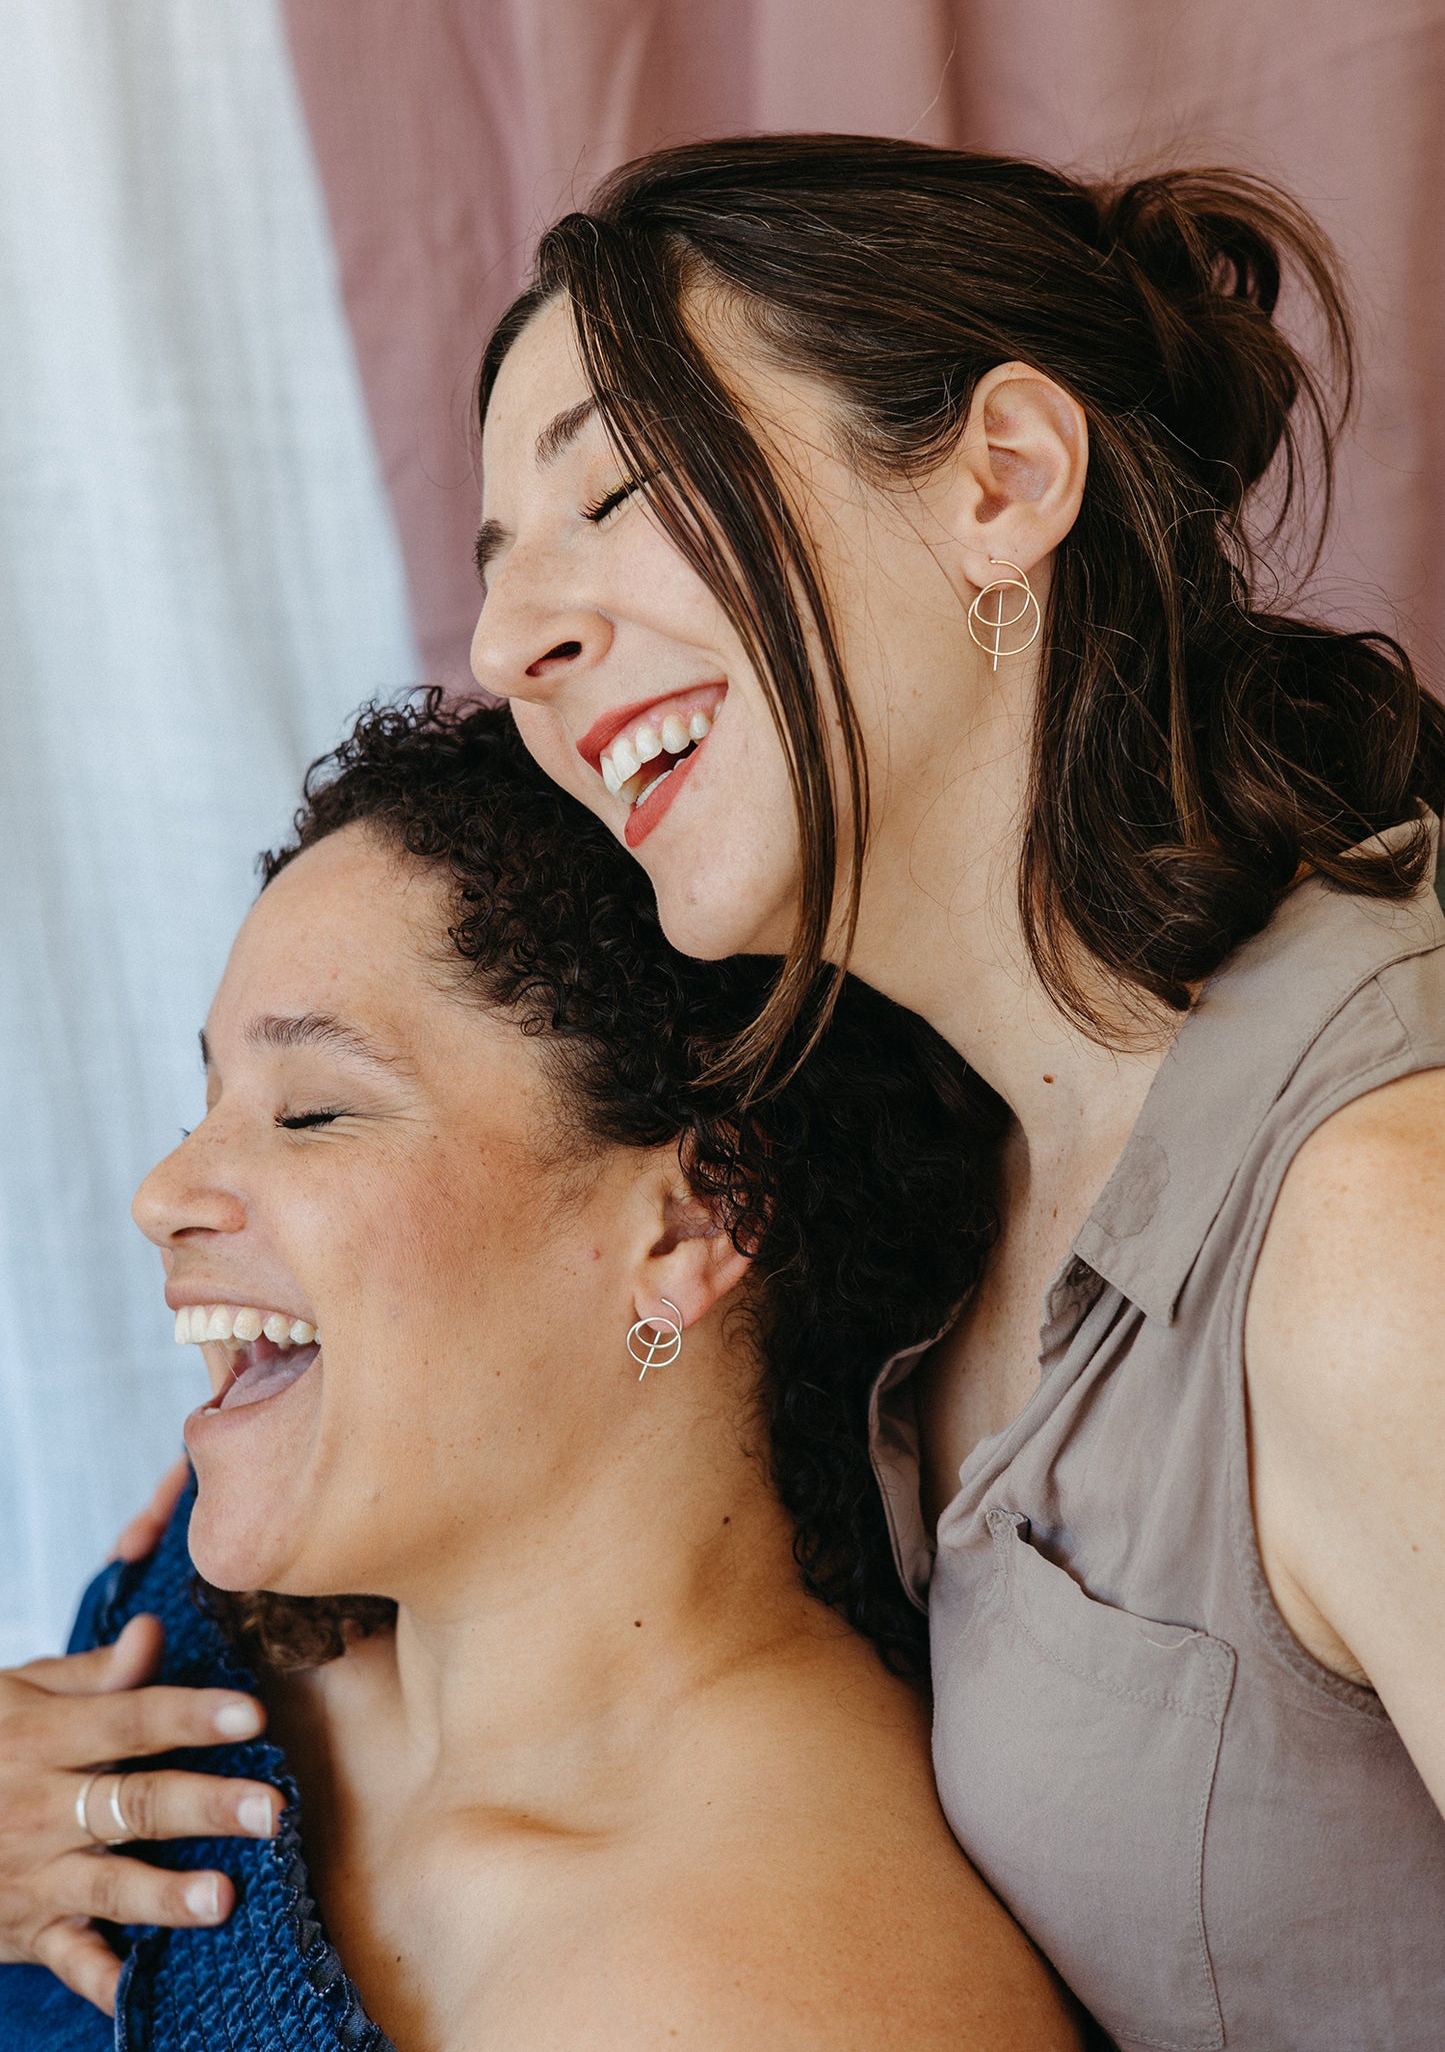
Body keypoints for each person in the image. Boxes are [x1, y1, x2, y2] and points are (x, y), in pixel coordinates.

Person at [459, 138, 1445, 2048]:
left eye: (618, 491)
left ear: (998, 482)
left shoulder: (1374, 1241)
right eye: (498, 581)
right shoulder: (946, 1168)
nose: (509, 647)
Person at [0, 697, 1075, 2049]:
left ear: (686, 1224)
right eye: (202, 1104)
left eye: (313, 1112)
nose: (163, 1193)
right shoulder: (203, 1638)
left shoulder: (777, 1998)